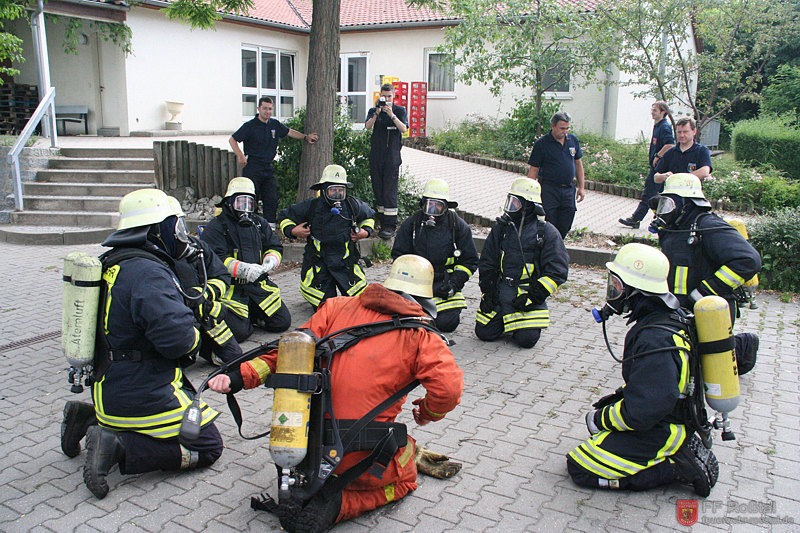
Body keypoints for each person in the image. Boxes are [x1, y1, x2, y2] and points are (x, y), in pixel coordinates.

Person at [207, 254, 464, 532]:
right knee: (405, 476)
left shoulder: (335, 307)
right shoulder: (421, 335)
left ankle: (314, 483)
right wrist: (426, 412)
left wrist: (237, 377)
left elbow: (288, 350)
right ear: (424, 299)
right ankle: (341, 502)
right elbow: (448, 389)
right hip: (358, 455)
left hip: (305, 441)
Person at [61, 188, 223, 499]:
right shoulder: (148, 273)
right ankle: (116, 447)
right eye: (175, 227)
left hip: (108, 389)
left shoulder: (112, 262)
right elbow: (178, 341)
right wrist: (196, 337)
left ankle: (86, 418)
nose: (180, 235)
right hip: (142, 389)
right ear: (157, 230)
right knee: (208, 444)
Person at [566, 243, 719, 497]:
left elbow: (645, 409)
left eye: (617, 285)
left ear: (636, 291)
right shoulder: (668, 317)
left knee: (580, 465)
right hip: (668, 415)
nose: (612, 291)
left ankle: (675, 466)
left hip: (662, 426)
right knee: (601, 427)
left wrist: (603, 419)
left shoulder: (654, 338)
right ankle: (674, 448)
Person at [650, 173, 761, 374]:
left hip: (708, 308)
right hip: (681, 305)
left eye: (669, 203)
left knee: (705, 363)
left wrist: (704, 292)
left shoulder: (709, 226)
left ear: (686, 203)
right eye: (663, 204)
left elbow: (748, 260)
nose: (665, 209)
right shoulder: (677, 226)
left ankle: (743, 347)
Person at [476, 178, 569, 349]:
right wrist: (487, 292)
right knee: (484, 333)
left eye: (516, 203)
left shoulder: (546, 232)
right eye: (510, 201)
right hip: (501, 290)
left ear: (528, 206)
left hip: (526, 295)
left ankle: (519, 324)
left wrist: (534, 297)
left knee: (526, 340)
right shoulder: (501, 228)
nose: (511, 207)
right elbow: (488, 262)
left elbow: (557, 271)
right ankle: (506, 319)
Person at [200, 177, 291, 339]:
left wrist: (271, 260)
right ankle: (240, 320)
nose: (245, 208)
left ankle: (252, 315)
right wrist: (242, 269)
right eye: (240, 203)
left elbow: (274, 245)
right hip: (231, 291)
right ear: (229, 203)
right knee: (241, 333)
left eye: (249, 203)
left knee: (281, 322)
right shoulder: (216, 227)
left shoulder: (258, 224)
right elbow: (214, 258)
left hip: (258, 287)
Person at [278, 164, 376, 309]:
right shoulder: (311, 206)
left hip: (345, 264)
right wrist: (293, 231)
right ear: (324, 190)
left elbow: (370, 216)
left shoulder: (352, 205)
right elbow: (284, 216)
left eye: (340, 191)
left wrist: (365, 232)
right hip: (319, 265)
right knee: (326, 308)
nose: (337, 195)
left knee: (358, 305)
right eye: (333, 191)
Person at [391, 179, 478, 332]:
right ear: (422, 204)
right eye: (429, 204)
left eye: (438, 205)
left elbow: (469, 261)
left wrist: (453, 284)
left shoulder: (457, 226)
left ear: (446, 206)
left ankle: (423, 320)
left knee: (447, 323)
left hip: (443, 285)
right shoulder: (412, 224)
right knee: (401, 317)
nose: (432, 209)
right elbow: (399, 256)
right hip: (415, 285)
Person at [166, 196, 244, 366]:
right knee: (181, 359)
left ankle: (206, 348)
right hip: (175, 319)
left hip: (204, 311)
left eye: (181, 223)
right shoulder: (150, 261)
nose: (180, 231)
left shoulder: (196, 247)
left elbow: (222, 275)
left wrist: (205, 294)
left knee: (235, 356)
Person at [229, 96, 319, 225]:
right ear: (258, 109)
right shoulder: (249, 126)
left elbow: (289, 132)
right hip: (253, 167)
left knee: (271, 199)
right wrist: (240, 155)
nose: (267, 111)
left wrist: (305, 137)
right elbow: (232, 140)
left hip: (268, 168)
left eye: (270, 109)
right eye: (265, 108)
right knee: (251, 199)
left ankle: (269, 228)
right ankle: (251, 228)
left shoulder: (274, 124)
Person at [526, 111, 586, 239]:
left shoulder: (572, 140)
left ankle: (558, 245)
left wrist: (581, 187)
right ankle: (549, 249)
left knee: (566, 222)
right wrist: (529, 193)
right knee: (549, 223)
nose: (565, 132)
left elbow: (578, 164)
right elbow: (534, 170)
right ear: (553, 126)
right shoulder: (542, 144)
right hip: (549, 189)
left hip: (568, 190)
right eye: (562, 128)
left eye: (567, 128)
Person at [619, 101, 675, 229]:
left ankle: (636, 219)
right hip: (657, 166)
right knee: (660, 196)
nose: (652, 113)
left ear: (663, 112)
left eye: (655, 110)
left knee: (649, 193)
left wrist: (658, 156)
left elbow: (669, 144)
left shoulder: (664, 127)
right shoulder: (658, 125)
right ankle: (660, 221)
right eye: (652, 110)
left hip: (660, 168)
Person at [365, 83, 409, 239]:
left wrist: (391, 115)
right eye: (384, 97)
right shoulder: (374, 110)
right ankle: (382, 221)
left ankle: (390, 225)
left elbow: (404, 129)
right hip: (377, 156)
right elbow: (367, 127)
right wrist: (377, 113)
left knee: (389, 191)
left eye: (390, 96)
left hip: (392, 157)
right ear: (380, 96)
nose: (387, 100)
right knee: (378, 189)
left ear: (394, 96)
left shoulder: (400, 111)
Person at [653, 116, 712, 185]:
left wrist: (678, 179)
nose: (682, 135)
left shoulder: (702, 151)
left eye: (685, 132)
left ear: (694, 131)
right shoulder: (670, 152)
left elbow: (704, 171)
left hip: (692, 193)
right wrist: (663, 176)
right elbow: (656, 177)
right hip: (671, 193)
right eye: (679, 132)